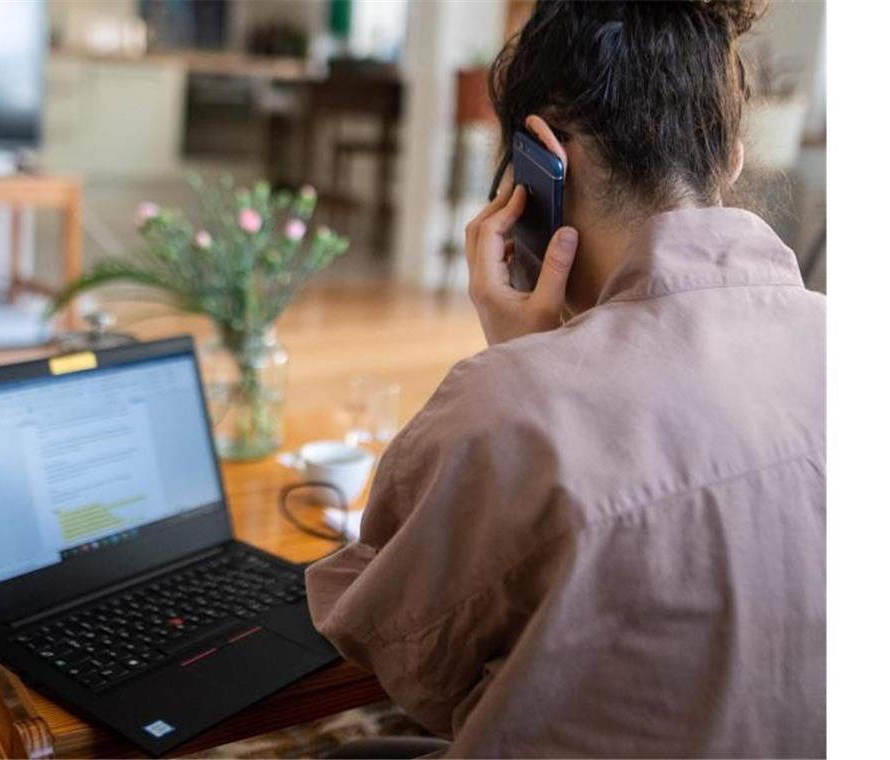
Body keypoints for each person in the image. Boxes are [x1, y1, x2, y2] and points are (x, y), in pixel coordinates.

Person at [306, 1, 825, 757]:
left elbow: (394, 645)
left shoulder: (508, 409)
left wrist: (518, 368)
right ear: (733, 155)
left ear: (540, 161)